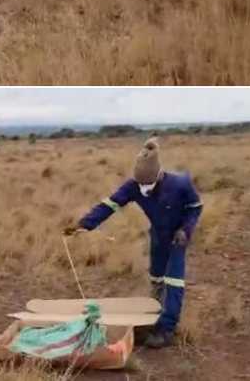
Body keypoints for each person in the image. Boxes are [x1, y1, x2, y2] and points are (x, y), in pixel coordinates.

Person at [63, 138, 202, 348]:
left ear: (159, 175)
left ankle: (166, 330)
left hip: (177, 237)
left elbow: (195, 207)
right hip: (157, 235)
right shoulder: (133, 187)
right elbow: (109, 205)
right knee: (156, 277)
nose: (144, 189)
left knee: (173, 280)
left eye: (148, 185)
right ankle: (154, 313)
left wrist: (186, 230)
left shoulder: (180, 183)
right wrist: (84, 225)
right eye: (140, 185)